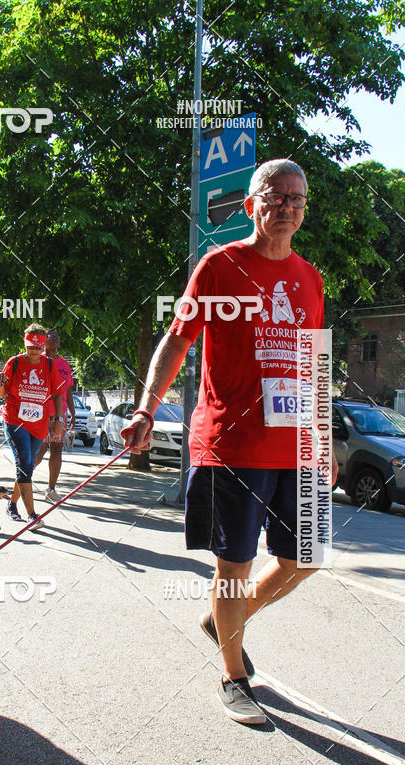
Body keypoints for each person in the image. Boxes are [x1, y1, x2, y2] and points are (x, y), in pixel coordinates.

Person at [122, 159, 338, 726]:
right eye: (276, 195)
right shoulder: (219, 267)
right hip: (231, 443)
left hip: (296, 446)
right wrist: (146, 408)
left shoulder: (310, 278)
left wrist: (325, 440)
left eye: (297, 198)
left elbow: (314, 364)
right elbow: (176, 342)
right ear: (252, 205)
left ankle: (225, 621)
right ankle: (234, 674)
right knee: (234, 564)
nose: (287, 206)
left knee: (306, 556)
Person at [0, 324, 64, 529]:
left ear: (43, 346)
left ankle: (12, 503)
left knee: (27, 465)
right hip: (15, 421)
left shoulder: (49, 365)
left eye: (37, 347)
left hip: (39, 425)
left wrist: (58, 419)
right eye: (30, 346)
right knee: (24, 461)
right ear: (25, 343)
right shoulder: (14, 363)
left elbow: (58, 393)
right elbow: (1, 394)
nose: (34, 351)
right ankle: (32, 515)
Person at [34, 328, 75, 503]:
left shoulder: (65, 364)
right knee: (40, 449)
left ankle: (51, 489)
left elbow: (68, 390)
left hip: (60, 414)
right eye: (52, 337)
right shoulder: (38, 359)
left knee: (56, 449)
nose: (56, 340)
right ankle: (22, 479)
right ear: (44, 341)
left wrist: (72, 412)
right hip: (41, 413)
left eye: (58, 337)